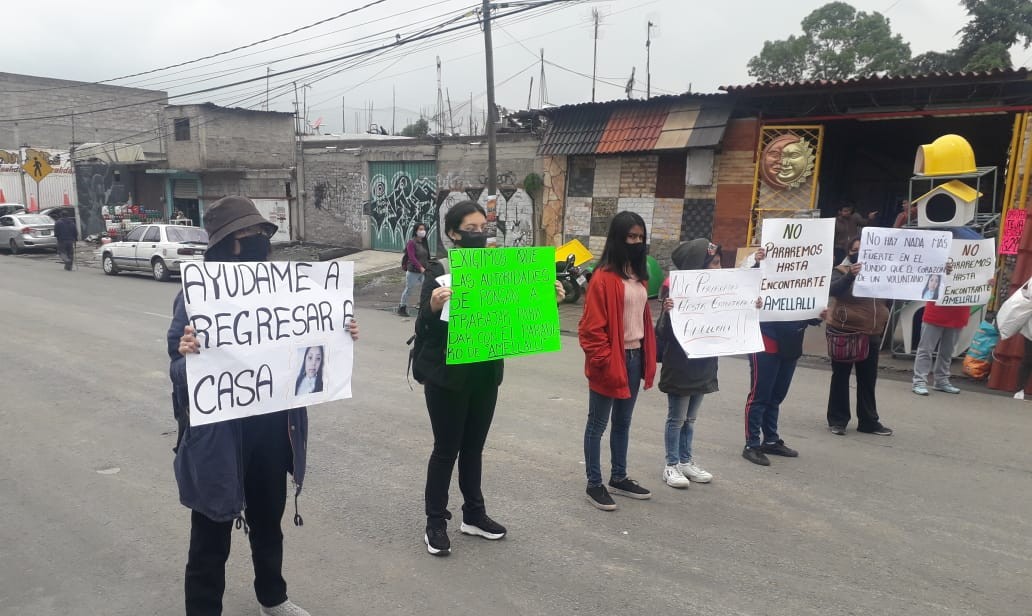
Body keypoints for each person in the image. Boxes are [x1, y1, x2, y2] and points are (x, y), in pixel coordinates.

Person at [169, 196, 360, 616]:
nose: (256, 241)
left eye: (259, 234)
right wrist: (186, 357)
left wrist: (338, 332)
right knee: (210, 534)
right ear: (225, 244)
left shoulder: (285, 288)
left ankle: (272, 598)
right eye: (245, 235)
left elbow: (306, 343)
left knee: (268, 523)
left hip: (274, 428)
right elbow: (177, 372)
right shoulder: (197, 296)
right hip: (219, 436)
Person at [412, 200, 566, 556]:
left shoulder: (499, 269)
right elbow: (424, 330)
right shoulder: (440, 270)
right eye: (471, 228)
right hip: (447, 378)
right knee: (446, 450)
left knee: (474, 449)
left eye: (484, 228)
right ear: (453, 233)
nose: (480, 234)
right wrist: (433, 307)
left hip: (484, 375)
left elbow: (516, 312)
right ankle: (435, 521)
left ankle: (474, 515)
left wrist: (548, 301)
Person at [579, 211, 657, 510]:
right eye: (631, 236)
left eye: (640, 237)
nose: (636, 242)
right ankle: (594, 483)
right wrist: (602, 360)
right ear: (618, 238)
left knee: (623, 422)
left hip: (635, 356)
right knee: (597, 424)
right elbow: (590, 329)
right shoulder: (603, 278)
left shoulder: (638, 275)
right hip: (611, 359)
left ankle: (619, 477)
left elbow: (642, 317)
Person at [742, 249, 826, 466]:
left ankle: (771, 440)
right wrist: (758, 264)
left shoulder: (804, 281)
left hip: (791, 342)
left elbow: (807, 310)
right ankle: (751, 444)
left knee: (777, 395)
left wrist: (818, 314)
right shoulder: (761, 267)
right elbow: (744, 287)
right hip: (766, 339)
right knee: (760, 395)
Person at [655, 239, 724, 488]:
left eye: (719, 263)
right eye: (714, 263)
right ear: (698, 264)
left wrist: (750, 306)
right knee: (677, 419)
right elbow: (661, 333)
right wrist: (668, 312)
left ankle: (686, 461)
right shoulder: (673, 290)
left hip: (704, 364)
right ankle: (671, 465)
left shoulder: (721, 292)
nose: (718, 268)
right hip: (680, 365)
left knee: (691, 419)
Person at [825, 237, 893, 436]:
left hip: (871, 332)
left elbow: (906, 287)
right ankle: (837, 420)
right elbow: (832, 289)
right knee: (841, 376)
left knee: (868, 378)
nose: (860, 254)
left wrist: (939, 273)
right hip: (845, 331)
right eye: (855, 250)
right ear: (849, 252)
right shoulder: (840, 270)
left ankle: (868, 421)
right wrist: (850, 276)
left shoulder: (883, 272)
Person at [399, 223, 430, 317]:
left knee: (427, 287)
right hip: (413, 271)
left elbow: (427, 255)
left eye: (424, 229)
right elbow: (412, 257)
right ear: (416, 231)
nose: (422, 231)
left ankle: (422, 305)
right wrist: (420, 267)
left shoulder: (424, 242)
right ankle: (402, 307)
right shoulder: (411, 243)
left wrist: (428, 265)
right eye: (420, 229)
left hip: (424, 270)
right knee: (409, 289)